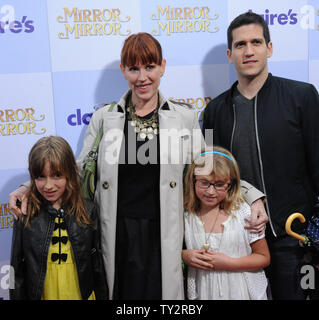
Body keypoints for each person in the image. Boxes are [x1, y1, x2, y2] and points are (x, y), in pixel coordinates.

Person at [9, 32, 267, 300]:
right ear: (124, 70)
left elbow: (212, 167)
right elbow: (78, 167)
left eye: (150, 67)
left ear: (162, 67)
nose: (142, 77)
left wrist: (253, 196)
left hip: (164, 233)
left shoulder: (183, 117)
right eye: (134, 68)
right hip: (117, 233)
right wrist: (29, 187)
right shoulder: (104, 118)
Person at [202, 12, 319, 299]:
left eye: (256, 42)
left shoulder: (302, 97)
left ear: (269, 47)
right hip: (239, 240)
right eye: (240, 45)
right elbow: (210, 175)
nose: (249, 50)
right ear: (230, 55)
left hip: (294, 237)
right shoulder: (213, 111)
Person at [10, 136, 108, 300]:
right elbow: (17, 269)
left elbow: (97, 266)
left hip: (81, 293)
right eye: (41, 176)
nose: (48, 185)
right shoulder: (25, 212)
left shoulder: (88, 210)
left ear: (70, 173)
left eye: (56, 175)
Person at [182, 146, 270, 300]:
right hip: (204, 292)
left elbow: (263, 257)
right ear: (193, 180)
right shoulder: (186, 216)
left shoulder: (244, 213)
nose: (211, 191)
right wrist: (184, 255)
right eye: (204, 182)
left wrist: (230, 263)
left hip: (242, 292)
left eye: (219, 184)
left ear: (231, 184)